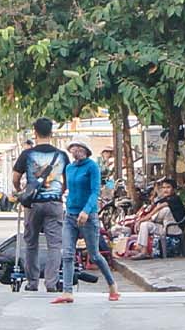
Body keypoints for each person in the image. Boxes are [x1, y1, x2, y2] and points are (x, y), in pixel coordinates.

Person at [56, 141, 119, 304]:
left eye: (79, 148)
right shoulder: (69, 168)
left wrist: (86, 210)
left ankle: (112, 285)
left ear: (86, 151)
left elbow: (94, 191)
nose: (76, 151)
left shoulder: (92, 167)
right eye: (73, 148)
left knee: (95, 255)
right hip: (70, 215)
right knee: (68, 253)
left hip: (88, 216)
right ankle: (67, 291)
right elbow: (67, 189)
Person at [12, 118, 68, 293]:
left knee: (31, 243)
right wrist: (59, 191)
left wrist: (22, 191)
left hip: (33, 205)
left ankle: (32, 282)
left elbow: (15, 178)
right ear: (51, 133)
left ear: (35, 132)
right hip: (54, 202)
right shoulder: (61, 156)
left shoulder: (27, 155)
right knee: (54, 245)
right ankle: (51, 282)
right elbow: (67, 181)